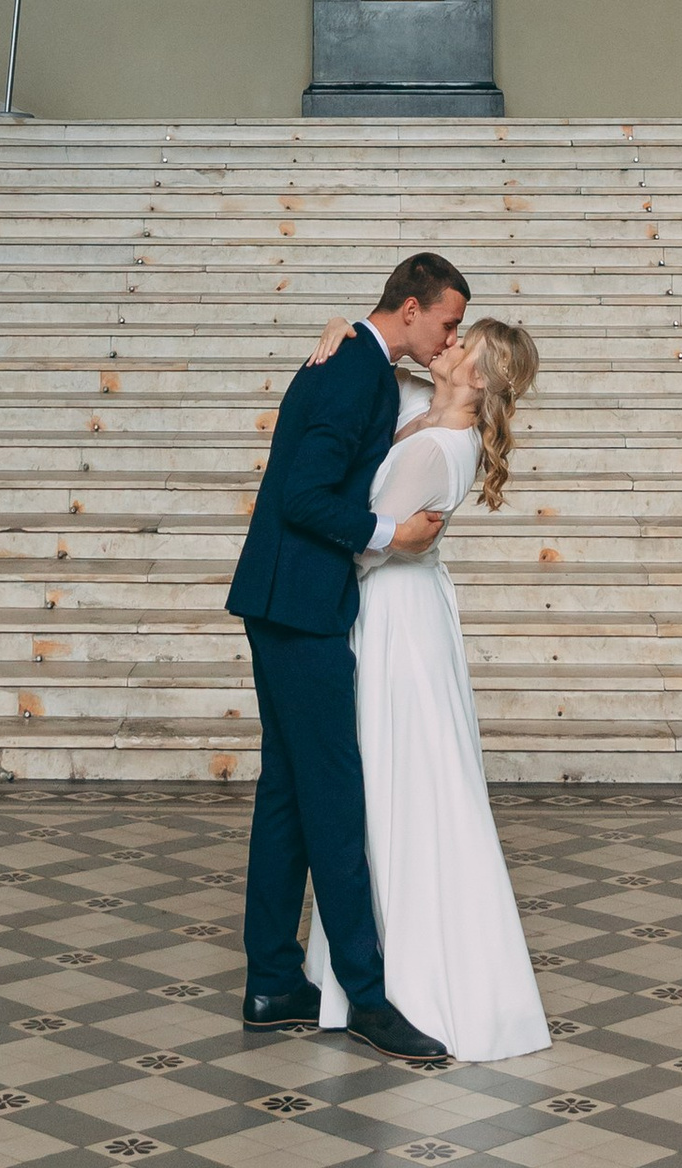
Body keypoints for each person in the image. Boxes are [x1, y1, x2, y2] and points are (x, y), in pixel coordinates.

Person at [227, 252, 468, 1063]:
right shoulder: (352, 371)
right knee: (332, 798)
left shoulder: (361, 360)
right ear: (409, 307)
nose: (451, 335)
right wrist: (390, 536)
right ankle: (368, 997)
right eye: (447, 321)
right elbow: (303, 496)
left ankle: (271, 981)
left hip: (281, 600)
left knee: (289, 795)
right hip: (300, 608)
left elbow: (388, 440)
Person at [303, 316, 550, 1065]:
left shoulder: (443, 445)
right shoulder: (431, 409)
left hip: (397, 619)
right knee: (393, 778)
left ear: (478, 379)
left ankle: (412, 973)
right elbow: (393, 358)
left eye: (462, 345)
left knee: (398, 780)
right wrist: (339, 333)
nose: (446, 346)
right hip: (408, 614)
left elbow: (371, 547)